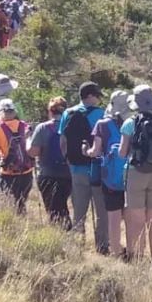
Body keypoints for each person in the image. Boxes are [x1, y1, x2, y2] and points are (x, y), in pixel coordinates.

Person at [119, 85, 152, 266]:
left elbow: (122, 152)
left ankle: (138, 258)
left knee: (137, 219)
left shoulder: (130, 123)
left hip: (135, 173)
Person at [59, 81, 109, 254]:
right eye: (97, 96)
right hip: (97, 169)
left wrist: (68, 161)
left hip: (76, 168)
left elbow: (63, 140)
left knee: (79, 209)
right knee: (102, 210)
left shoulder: (68, 112)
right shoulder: (102, 114)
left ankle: (76, 245)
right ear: (90, 96)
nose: (98, 100)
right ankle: (102, 245)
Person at [85, 91, 130, 258]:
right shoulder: (131, 124)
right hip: (131, 176)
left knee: (113, 216)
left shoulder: (102, 124)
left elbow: (95, 151)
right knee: (130, 215)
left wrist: (86, 151)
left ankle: (116, 251)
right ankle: (133, 249)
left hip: (109, 178)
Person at [28, 97, 72, 228]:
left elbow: (33, 152)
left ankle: (61, 232)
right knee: (61, 204)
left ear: (50, 111)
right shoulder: (71, 127)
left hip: (47, 174)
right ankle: (66, 230)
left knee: (52, 208)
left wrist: (27, 140)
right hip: (67, 173)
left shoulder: (42, 128)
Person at [0, 99, 33, 215]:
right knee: (21, 202)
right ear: (14, 112)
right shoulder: (24, 125)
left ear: (0, 113)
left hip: (8, 172)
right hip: (27, 171)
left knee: (10, 202)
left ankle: (14, 224)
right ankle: (22, 221)